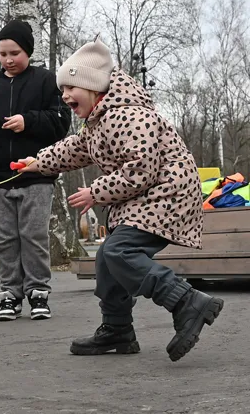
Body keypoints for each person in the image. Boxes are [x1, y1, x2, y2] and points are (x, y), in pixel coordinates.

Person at [18, 38, 224, 362]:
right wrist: (38, 161)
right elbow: (73, 149)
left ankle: (186, 301)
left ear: (93, 86)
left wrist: (95, 192)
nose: (65, 95)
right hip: (146, 198)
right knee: (106, 260)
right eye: (62, 90)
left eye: (71, 87)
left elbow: (140, 170)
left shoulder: (130, 115)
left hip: (168, 193)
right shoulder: (98, 123)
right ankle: (118, 330)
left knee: (119, 250)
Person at [0, 20, 71, 322]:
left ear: (28, 52)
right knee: (4, 238)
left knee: (33, 235)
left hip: (36, 174)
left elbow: (61, 122)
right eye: (3, 53)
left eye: (15, 53)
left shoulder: (47, 82)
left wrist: (28, 121)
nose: (9, 59)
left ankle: (38, 293)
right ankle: (9, 294)